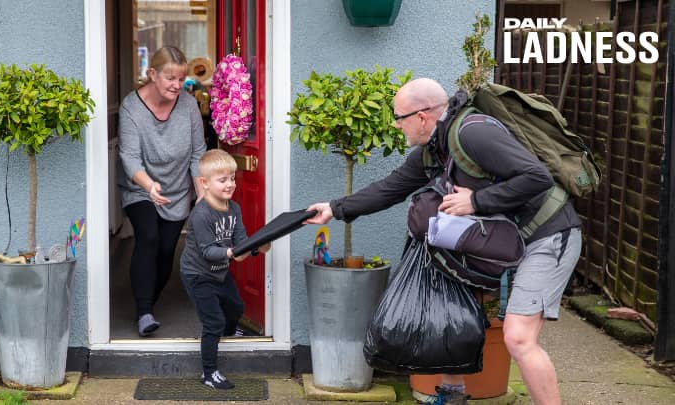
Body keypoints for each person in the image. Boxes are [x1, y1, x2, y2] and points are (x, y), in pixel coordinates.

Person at [306, 78, 582, 405]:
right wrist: (334, 209)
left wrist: (477, 201)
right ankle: (452, 395)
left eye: (398, 118)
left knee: (519, 339)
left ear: (422, 116)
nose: (396, 126)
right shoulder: (434, 149)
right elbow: (391, 187)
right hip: (500, 239)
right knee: (448, 302)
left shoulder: (472, 132)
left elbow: (537, 178)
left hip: (546, 236)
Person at [118, 45, 207, 337]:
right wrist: (149, 185)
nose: (176, 85)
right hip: (141, 187)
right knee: (149, 237)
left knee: (168, 249)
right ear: (152, 74)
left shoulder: (189, 105)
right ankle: (144, 311)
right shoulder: (132, 107)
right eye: (170, 78)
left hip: (178, 189)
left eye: (180, 79)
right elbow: (129, 157)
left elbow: (197, 154)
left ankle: (149, 302)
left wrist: (203, 196)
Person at [179, 149, 271, 390]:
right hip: (198, 274)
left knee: (237, 307)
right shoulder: (201, 215)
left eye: (232, 178)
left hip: (219, 271)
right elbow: (209, 251)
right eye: (223, 180)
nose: (230, 184)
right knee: (213, 322)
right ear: (204, 183)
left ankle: (228, 336)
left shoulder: (234, 209)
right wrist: (232, 253)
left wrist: (257, 247)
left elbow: (240, 240)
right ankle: (209, 373)